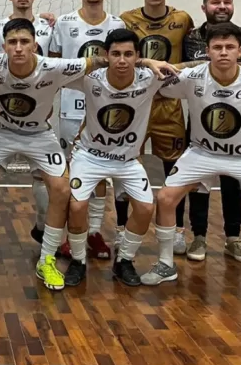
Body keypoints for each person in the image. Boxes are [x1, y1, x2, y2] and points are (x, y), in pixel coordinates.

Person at [139, 22, 241, 307]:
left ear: (240, 51)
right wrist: (145, 62)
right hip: (201, 153)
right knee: (165, 198)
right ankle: (166, 263)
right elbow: (151, 82)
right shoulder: (191, 76)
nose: (223, 53)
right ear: (207, 52)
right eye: (217, 48)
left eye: (230, 47)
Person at [0, 19, 108, 290]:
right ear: (3, 46)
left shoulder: (53, 67)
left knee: (60, 189)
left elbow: (97, 62)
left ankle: (46, 261)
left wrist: (147, 63)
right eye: (12, 43)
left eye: (24, 42)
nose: (18, 48)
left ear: (35, 45)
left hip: (39, 136)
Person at [65, 29, 173, 287]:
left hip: (127, 160)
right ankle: (78, 261)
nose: (122, 60)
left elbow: (191, 68)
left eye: (128, 54)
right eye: (115, 54)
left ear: (138, 56)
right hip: (89, 155)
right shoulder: (91, 79)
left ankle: (124, 260)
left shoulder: (151, 77)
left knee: (146, 208)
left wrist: (149, 63)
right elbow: (54, 71)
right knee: (77, 206)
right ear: (105, 55)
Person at [180, 0, 241, 263]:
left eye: (227, 1)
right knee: (198, 183)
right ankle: (198, 237)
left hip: (240, 126)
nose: (222, 7)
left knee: (232, 182)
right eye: (215, 2)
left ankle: (233, 239)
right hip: (202, 120)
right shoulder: (190, 38)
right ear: (204, 8)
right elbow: (184, 73)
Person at [49, 0, 125, 260]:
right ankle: (72, 233)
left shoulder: (118, 24)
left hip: (107, 110)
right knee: (74, 173)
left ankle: (93, 232)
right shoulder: (65, 23)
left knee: (101, 170)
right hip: (70, 108)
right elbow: (55, 67)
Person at [120, 0, 195, 255]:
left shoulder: (182, 19)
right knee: (125, 164)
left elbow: (194, 59)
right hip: (136, 105)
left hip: (170, 107)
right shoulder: (128, 19)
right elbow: (122, 54)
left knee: (174, 170)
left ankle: (176, 230)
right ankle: (120, 230)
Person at [0, 0, 55, 247]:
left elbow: (56, 69)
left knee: (44, 176)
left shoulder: (50, 28)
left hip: (39, 116)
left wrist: (48, 106)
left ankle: (41, 227)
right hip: (2, 117)